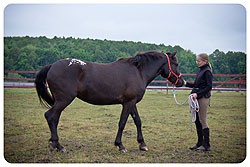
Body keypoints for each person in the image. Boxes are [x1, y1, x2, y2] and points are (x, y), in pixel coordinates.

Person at [184, 53, 213, 151]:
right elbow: (197, 84)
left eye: (199, 61)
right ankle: (200, 142)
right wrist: (186, 83)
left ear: (205, 61)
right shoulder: (200, 70)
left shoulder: (207, 71)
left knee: (202, 120)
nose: (197, 62)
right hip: (197, 97)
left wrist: (198, 94)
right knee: (197, 120)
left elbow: (209, 87)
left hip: (203, 98)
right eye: (197, 60)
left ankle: (206, 145)